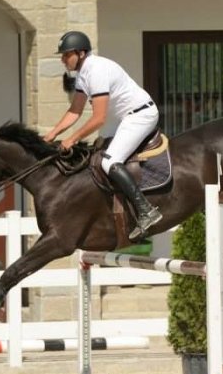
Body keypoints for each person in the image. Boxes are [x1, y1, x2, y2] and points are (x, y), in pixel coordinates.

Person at [44, 31, 163, 240]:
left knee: (110, 162)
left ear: (80, 53)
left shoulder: (96, 70)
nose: (62, 59)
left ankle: (146, 210)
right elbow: (75, 111)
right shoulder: (83, 74)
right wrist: (51, 135)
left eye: (66, 55)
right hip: (125, 118)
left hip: (141, 115)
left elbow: (98, 118)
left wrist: (71, 139)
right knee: (96, 154)